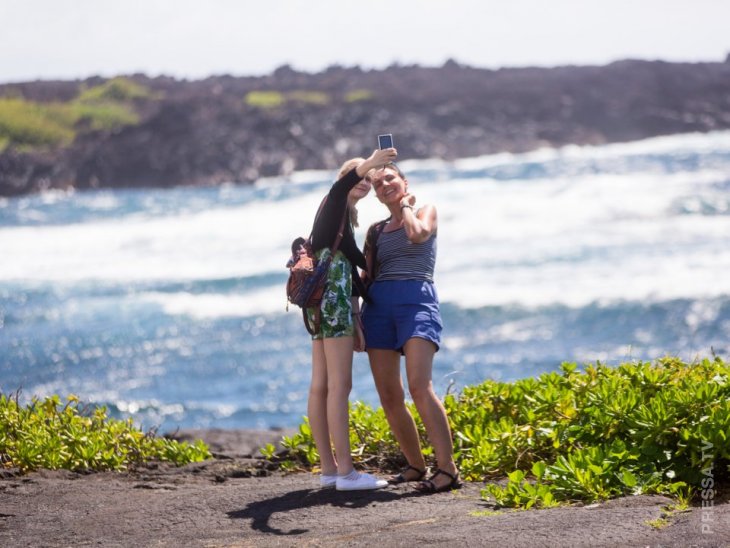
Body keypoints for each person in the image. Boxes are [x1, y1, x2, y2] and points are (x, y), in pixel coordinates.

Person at [361, 161, 461, 493]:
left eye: (390, 178)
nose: (384, 185)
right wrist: (357, 321)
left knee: (420, 386)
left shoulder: (425, 210)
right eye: (378, 184)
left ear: (404, 183)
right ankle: (416, 465)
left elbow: (418, 235)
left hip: (416, 300)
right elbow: (366, 279)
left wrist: (405, 206)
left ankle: (447, 470)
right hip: (378, 308)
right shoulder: (374, 231)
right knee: (389, 395)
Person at [305, 148, 395, 491]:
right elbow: (342, 186)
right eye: (361, 176)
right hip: (333, 303)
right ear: (347, 177)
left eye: (370, 179)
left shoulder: (339, 220)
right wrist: (369, 162)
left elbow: (355, 269)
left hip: (321, 306)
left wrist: (358, 313)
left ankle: (329, 470)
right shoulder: (335, 201)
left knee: (323, 386)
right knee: (339, 386)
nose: (367, 181)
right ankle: (346, 473)